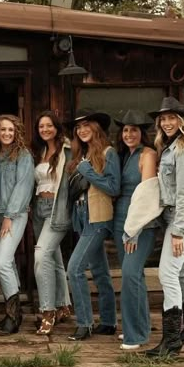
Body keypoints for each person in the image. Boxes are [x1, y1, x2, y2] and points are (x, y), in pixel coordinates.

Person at [146, 97, 184, 357]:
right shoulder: (169, 147)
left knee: (167, 273)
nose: (167, 122)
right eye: (163, 118)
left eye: (172, 118)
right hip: (178, 216)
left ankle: (171, 340)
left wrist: (178, 231)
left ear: (182, 122)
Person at [65, 111, 121, 341]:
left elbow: (113, 187)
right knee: (99, 272)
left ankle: (84, 323)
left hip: (99, 219)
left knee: (74, 269)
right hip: (83, 220)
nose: (82, 130)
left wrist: (88, 172)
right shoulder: (82, 154)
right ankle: (108, 322)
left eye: (86, 126)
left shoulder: (109, 153)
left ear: (96, 128)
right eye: (78, 128)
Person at [113, 111, 159, 350]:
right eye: (125, 130)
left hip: (140, 223)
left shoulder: (147, 154)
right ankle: (137, 328)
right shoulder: (123, 156)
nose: (129, 134)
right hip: (120, 220)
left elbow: (147, 196)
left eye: (134, 130)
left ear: (142, 133)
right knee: (133, 276)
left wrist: (134, 230)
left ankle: (136, 336)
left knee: (131, 274)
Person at [0, 115, 35, 335]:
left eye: (11, 130)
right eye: (3, 130)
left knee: (3, 262)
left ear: (16, 132)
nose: (7, 134)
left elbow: (23, 187)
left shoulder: (23, 155)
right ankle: (14, 313)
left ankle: (12, 315)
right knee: (8, 264)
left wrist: (9, 215)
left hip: (14, 215)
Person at [32, 111, 73, 336]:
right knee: (54, 259)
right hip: (40, 208)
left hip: (58, 209)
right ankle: (64, 306)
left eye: (49, 125)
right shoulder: (40, 151)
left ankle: (47, 310)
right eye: (41, 126)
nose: (45, 129)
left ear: (56, 127)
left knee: (41, 255)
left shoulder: (68, 149)